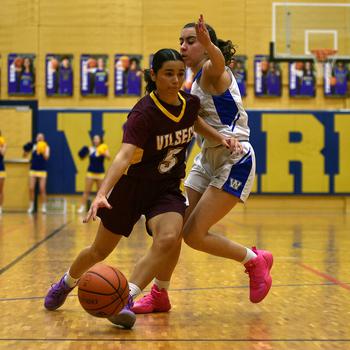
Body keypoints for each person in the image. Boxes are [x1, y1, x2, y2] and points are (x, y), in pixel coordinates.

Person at [44, 48, 240, 329]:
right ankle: (66, 282)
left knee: (170, 236)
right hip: (132, 188)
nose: (175, 80)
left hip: (166, 189)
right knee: (98, 251)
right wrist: (101, 193)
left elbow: (195, 123)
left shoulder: (189, 103)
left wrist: (221, 136)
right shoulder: (143, 113)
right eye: (168, 74)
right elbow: (124, 156)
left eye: (179, 74)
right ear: (154, 75)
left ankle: (126, 299)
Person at [131, 15, 273, 315]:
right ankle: (160, 293)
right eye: (181, 41)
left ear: (206, 46)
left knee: (194, 234)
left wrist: (209, 45)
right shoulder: (190, 80)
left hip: (234, 158)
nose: (183, 46)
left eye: (190, 41)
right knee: (175, 225)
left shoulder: (211, 70)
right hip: (207, 157)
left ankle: (253, 259)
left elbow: (218, 62)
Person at [77, 135, 110, 214]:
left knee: (100, 193)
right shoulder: (90, 149)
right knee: (86, 191)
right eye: (94, 139)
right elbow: (81, 156)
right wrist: (82, 151)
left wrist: (103, 153)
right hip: (90, 173)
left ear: (100, 140)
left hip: (100, 173)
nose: (95, 140)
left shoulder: (104, 147)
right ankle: (82, 207)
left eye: (97, 139)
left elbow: (109, 157)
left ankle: (100, 210)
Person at [23, 133, 50, 214]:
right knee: (31, 188)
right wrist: (26, 149)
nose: (39, 138)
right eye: (38, 137)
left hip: (42, 170)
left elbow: (47, 157)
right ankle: (31, 206)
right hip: (33, 169)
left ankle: (44, 207)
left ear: (43, 139)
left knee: (42, 189)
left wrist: (42, 151)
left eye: (41, 137)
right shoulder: (33, 146)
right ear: (36, 138)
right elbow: (24, 155)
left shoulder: (46, 146)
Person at [0, 132, 6, 215]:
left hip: (0, 168)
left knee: (0, 189)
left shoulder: (3, 143)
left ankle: (0, 207)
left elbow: (3, 153)